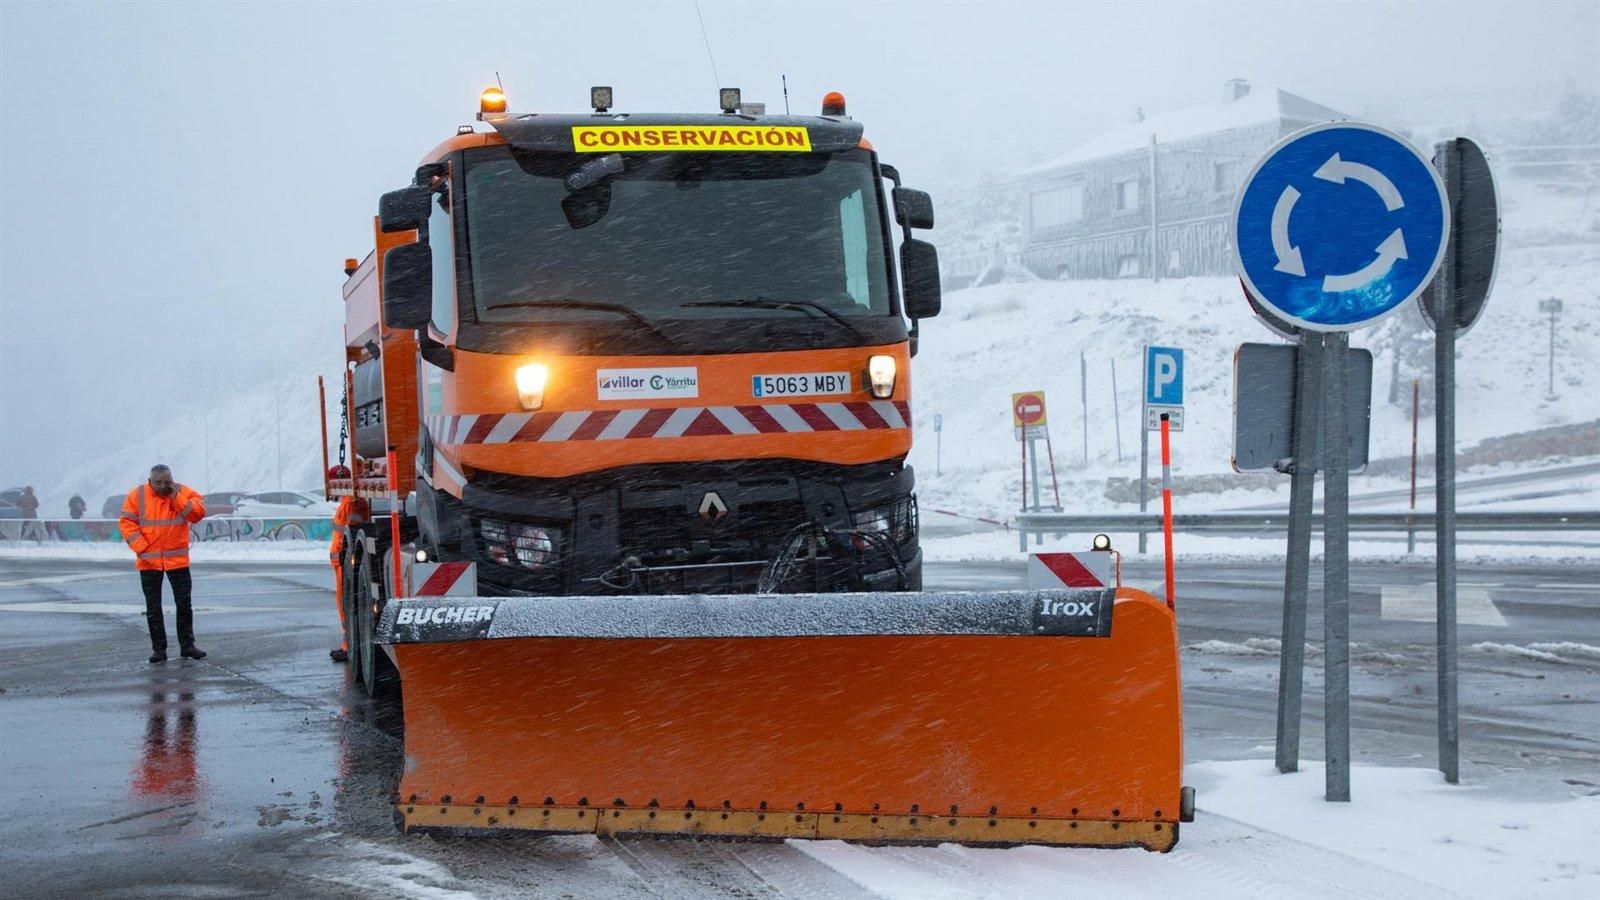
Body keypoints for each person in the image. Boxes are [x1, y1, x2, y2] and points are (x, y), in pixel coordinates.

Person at [119, 465, 207, 663]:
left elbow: (197, 514)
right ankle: (159, 649)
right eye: (158, 482)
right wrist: (141, 547)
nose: (162, 486)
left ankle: (188, 646)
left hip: (178, 562)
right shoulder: (137, 495)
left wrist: (177, 496)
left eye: (167, 481)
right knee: (153, 607)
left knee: (184, 604)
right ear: (150, 481)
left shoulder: (183, 492)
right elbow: (126, 522)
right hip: (148, 561)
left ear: (172, 479)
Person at [327, 484, 368, 664]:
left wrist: (342, 555)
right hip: (340, 561)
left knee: (346, 604)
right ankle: (348, 644)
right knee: (344, 604)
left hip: (343, 561)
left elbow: (348, 532)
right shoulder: (349, 502)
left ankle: (349, 645)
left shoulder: (351, 503)